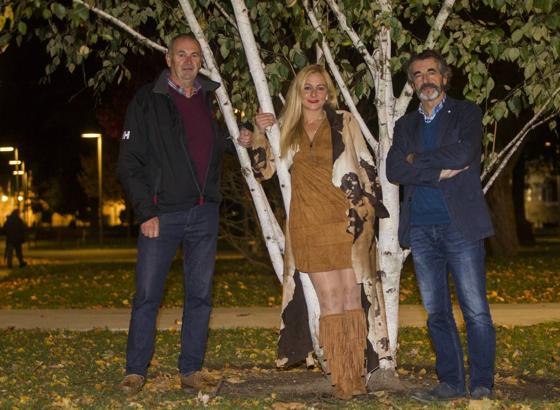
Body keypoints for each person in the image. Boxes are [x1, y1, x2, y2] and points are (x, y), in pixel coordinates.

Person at [116, 33, 252, 395]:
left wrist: (240, 137)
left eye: (194, 55)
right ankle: (135, 370)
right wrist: (146, 211)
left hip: (204, 213)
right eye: (181, 54)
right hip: (161, 215)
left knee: (200, 295)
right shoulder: (148, 100)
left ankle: (191, 369)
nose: (188, 61)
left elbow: (210, 142)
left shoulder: (210, 97)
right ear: (168, 59)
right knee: (147, 294)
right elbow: (129, 163)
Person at [251, 64, 391, 400]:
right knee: (330, 301)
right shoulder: (286, 126)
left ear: (328, 93)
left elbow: (366, 163)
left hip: (344, 222)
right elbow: (263, 171)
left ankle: (357, 375)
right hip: (308, 224)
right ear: (298, 93)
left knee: (350, 298)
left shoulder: (343, 120)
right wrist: (257, 131)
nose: (314, 94)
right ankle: (341, 380)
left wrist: (368, 211)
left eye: (320, 88)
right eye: (307, 88)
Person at [386, 50, 496, 401]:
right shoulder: (405, 125)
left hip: (460, 226)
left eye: (431, 72)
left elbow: (465, 155)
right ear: (413, 82)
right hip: (420, 229)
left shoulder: (465, 112)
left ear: (444, 77)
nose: (425, 80)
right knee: (436, 313)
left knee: (475, 310)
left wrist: (416, 159)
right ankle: (450, 383)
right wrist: (435, 171)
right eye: (418, 75)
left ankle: (481, 384)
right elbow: (393, 170)